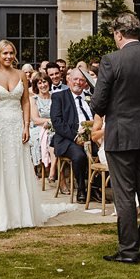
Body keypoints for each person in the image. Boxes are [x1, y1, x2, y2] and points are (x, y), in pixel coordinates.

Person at [0, 40, 65, 231]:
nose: (9, 57)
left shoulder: (21, 75)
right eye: (5, 54)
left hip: (16, 125)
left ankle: (20, 212)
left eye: (11, 53)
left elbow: (26, 102)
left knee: (17, 166)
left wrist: (26, 126)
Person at [90, 12, 140, 264]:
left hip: (121, 134)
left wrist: (110, 106)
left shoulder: (111, 60)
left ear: (118, 34)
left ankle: (129, 250)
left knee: (124, 194)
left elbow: (98, 102)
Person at [48, 69, 94, 205]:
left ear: (85, 83)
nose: (78, 82)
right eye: (75, 79)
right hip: (68, 139)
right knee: (79, 156)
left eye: (82, 80)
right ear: (68, 80)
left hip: (92, 138)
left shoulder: (90, 98)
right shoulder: (59, 97)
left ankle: (96, 188)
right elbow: (57, 122)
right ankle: (81, 189)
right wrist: (75, 137)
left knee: (107, 152)